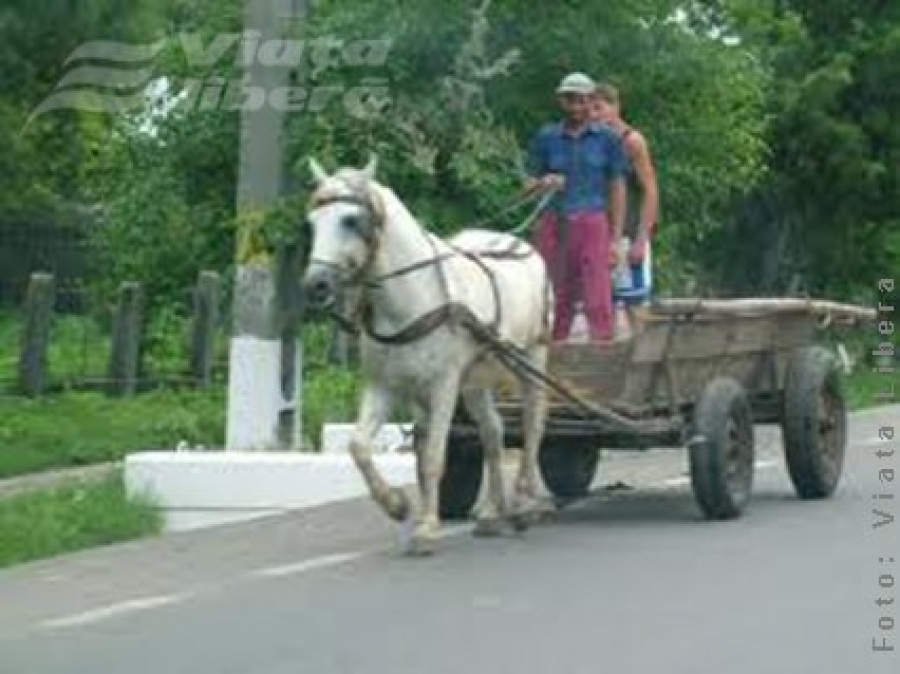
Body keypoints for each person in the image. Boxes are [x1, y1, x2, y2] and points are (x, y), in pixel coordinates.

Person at [524, 72, 627, 343]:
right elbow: (527, 184)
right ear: (561, 101)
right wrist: (544, 182)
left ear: (591, 100)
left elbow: (617, 187)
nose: (576, 107)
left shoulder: (608, 139)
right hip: (555, 222)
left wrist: (615, 239)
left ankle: (603, 352)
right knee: (555, 291)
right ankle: (552, 350)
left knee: (597, 293)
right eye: (570, 100)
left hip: (593, 221)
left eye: (582, 100)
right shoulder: (547, 137)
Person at [590, 81, 659, 334]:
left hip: (629, 235)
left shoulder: (631, 141)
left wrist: (642, 239)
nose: (595, 115)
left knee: (635, 306)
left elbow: (650, 190)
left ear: (615, 107)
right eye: (591, 110)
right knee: (600, 306)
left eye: (600, 108)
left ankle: (644, 364)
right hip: (599, 235)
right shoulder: (592, 142)